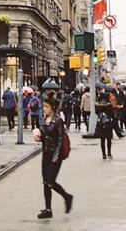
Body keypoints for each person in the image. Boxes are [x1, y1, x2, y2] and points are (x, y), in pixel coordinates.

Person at [34, 91, 73, 219]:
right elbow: (45, 136)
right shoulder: (45, 120)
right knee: (45, 182)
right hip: (45, 153)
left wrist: (56, 156)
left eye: (46, 107)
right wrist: (38, 135)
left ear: (53, 108)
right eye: (43, 106)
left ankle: (67, 197)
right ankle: (48, 209)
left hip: (55, 154)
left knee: (51, 182)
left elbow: (60, 139)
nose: (44, 109)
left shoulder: (58, 120)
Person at [95, 91, 114, 159]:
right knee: (109, 139)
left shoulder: (97, 105)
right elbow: (112, 114)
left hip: (100, 123)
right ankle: (109, 153)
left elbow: (96, 112)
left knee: (102, 140)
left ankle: (103, 154)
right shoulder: (109, 105)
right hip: (108, 123)